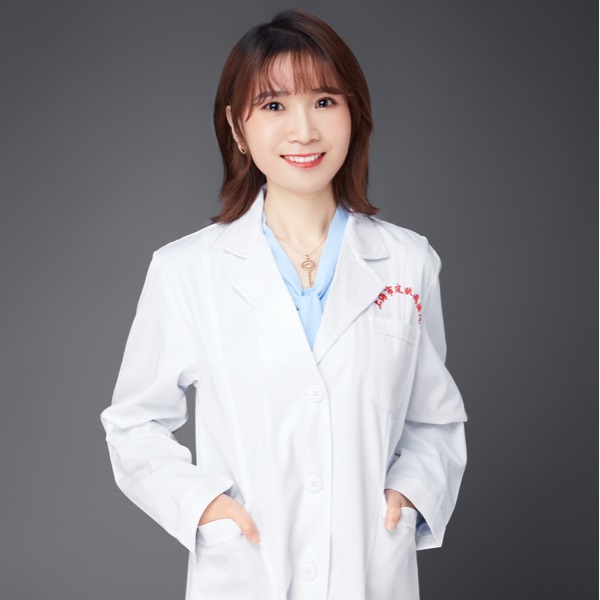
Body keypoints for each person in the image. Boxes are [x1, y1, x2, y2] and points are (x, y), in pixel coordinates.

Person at [100, 8, 467, 600]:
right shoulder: (186, 270)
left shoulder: (407, 261)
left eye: (324, 101)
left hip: (369, 573)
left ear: (354, 114)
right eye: (273, 105)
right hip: (247, 571)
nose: (304, 130)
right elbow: (133, 424)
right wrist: (205, 507)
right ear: (237, 127)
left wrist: (409, 495)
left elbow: (434, 421)